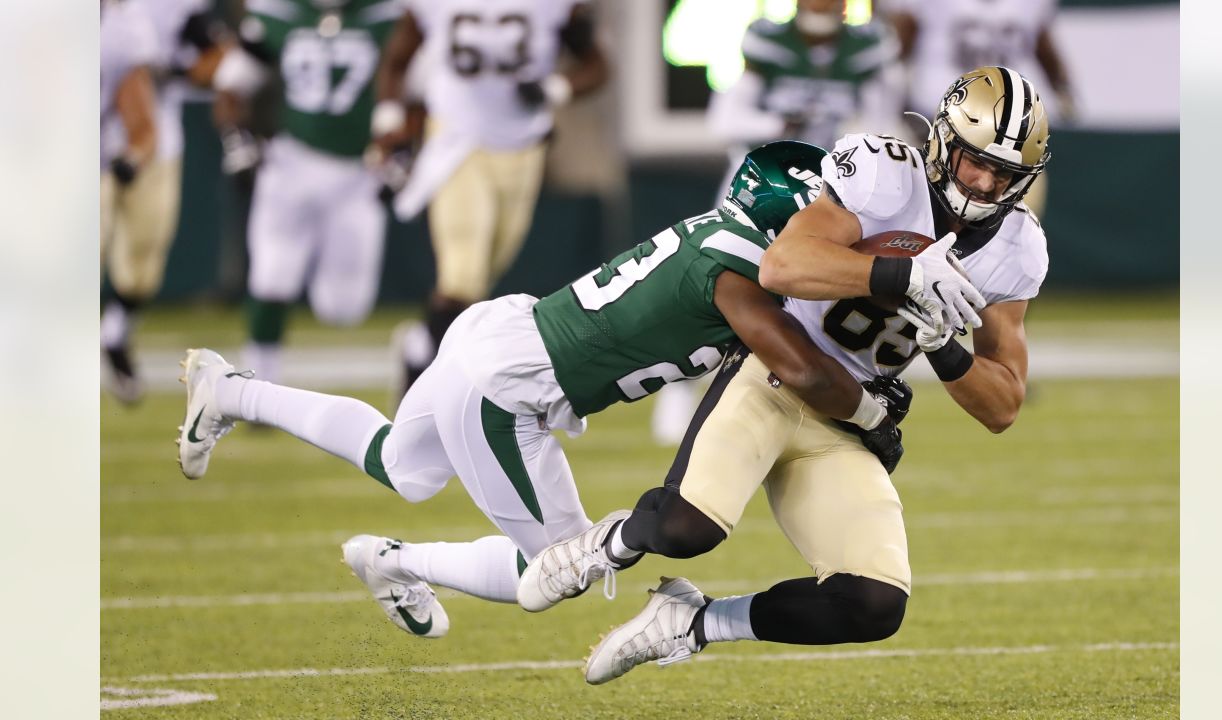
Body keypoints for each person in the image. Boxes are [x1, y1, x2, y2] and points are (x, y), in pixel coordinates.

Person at [174, 141, 981, 640]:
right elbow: (799, 368)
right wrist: (875, 412)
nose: (830, 225)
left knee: (400, 462)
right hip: (510, 389)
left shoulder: (720, 238)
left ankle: (232, 391)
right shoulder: (739, 274)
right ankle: (394, 560)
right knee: (551, 576)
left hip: (504, 333)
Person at [514, 66, 1051, 685]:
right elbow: (782, 265)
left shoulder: (1017, 248)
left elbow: (1002, 404)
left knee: (873, 602)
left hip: (848, 417)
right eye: (973, 162)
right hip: (776, 373)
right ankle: (602, 547)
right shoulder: (883, 173)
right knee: (687, 528)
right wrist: (901, 277)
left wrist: (945, 350)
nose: (985, 183)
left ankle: (693, 623)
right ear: (941, 145)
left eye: (1005, 173)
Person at [652, 0, 903, 445]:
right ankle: (677, 391)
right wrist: (781, 123)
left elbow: (884, 126)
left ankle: (815, 399)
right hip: (759, 191)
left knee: (810, 307)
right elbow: (725, 119)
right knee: (718, 292)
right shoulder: (768, 39)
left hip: (828, 200)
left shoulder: (869, 47)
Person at [368, 0, 610, 410]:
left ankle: (419, 346)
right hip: (458, 141)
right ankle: (428, 396)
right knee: (462, 275)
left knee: (480, 281)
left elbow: (598, 65)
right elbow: (396, 59)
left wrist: (557, 88)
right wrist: (389, 127)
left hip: (524, 149)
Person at [210, 0, 402, 385]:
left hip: (358, 173)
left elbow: (415, 88)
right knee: (272, 274)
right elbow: (231, 84)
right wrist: (239, 140)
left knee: (343, 307)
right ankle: (256, 386)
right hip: (290, 163)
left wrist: (401, 151)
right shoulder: (279, 12)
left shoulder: (388, 16)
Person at [100, 0, 231, 404]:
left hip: (152, 147)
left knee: (143, 263)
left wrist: (178, 73)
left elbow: (220, 58)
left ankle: (115, 334)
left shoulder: (140, 23)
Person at [883, 0, 1075, 215]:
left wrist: (1062, 88)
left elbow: (1042, 43)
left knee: (1013, 215)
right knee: (921, 209)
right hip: (940, 123)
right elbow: (900, 44)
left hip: (1008, 126)